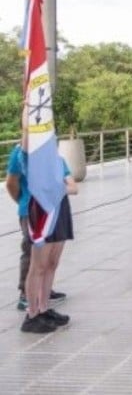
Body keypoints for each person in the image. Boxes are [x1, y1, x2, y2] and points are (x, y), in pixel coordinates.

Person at [8, 137, 77, 333]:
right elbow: (12, 183)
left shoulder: (57, 161)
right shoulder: (24, 156)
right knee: (36, 263)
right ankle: (31, 311)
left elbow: (73, 187)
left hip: (58, 212)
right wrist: (24, 202)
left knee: (51, 263)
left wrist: (57, 189)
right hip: (37, 213)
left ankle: (44, 308)